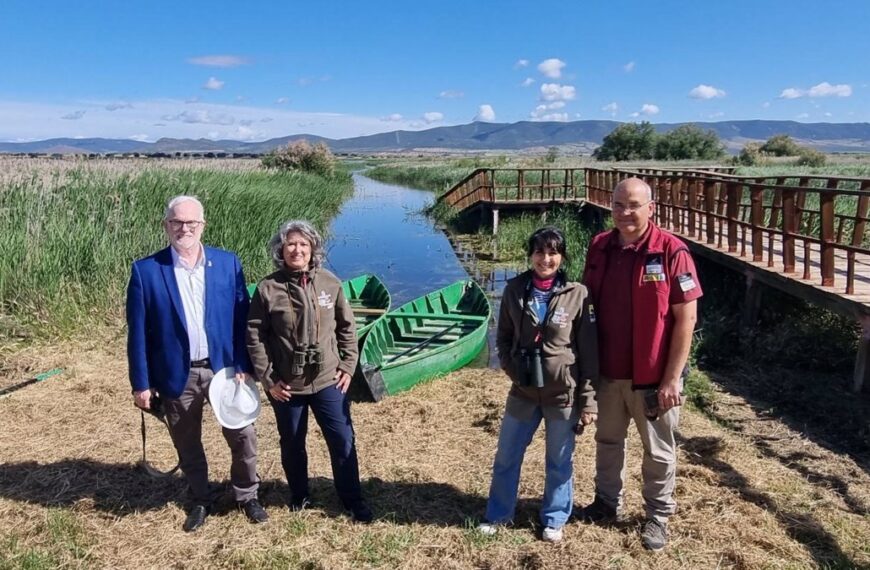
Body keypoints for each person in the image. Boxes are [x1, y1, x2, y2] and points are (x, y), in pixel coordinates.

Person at [126, 195, 267, 532]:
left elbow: (240, 319)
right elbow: (138, 334)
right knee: (187, 441)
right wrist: (141, 384)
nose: (184, 228)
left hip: (225, 370)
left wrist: (244, 363)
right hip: (177, 374)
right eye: (176, 222)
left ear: (202, 225)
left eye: (191, 222)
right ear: (166, 226)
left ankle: (247, 495)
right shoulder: (146, 271)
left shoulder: (228, 263)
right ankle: (201, 498)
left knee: (243, 435)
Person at [578, 177, 702, 552]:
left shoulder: (671, 251)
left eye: (633, 205)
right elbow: (585, 306)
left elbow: (687, 319)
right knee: (608, 441)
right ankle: (605, 503)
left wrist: (672, 379)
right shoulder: (600, 246)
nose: (625, 213)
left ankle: (657, 517)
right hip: (609, 371)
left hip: (653, 377)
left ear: (651, 208)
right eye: (618, 205)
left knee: (659, 451)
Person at [246, 220, 372, 523]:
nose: (297, 249)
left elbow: (347, 328)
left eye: (303, 244)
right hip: (288, 385)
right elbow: (254, 335)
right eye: (290, 244)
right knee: (291, 442)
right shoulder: (268, 289)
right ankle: (300, 495)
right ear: (281, 249)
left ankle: (351, 499)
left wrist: (347, 365)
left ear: (313, 249)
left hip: (329, 379)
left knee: (342, 439)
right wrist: (268, 378)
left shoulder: (330, 282)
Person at [479, 226, 598, 543]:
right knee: (507, 455)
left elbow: (589, 353)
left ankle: (555, 518)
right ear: (531, 254)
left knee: (559, 460)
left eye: (553, 252)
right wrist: (512, 369)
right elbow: (503, 337)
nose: (546, 258)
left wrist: (588, 402)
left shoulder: (578, 294)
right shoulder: (515, 289)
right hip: (523, 391)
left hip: (563, 393)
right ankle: (498, 514)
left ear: (562, 256)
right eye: (540, 251)